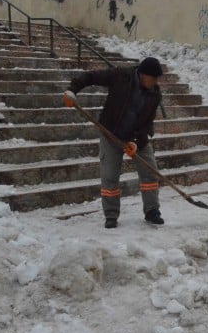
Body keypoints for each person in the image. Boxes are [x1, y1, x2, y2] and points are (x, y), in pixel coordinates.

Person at [62, 57, 165, 229]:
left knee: (150, 173)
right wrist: (72, 90)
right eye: (153, 78)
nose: (155, 82)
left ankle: (152, 211)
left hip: (137, 136)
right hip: (111, 134)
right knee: (110, 177)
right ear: (142, 75)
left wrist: (136, 143)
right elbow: (91, 77)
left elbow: (147, 122)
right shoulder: (121, 76)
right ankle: (111, 215)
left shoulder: (155, 94)